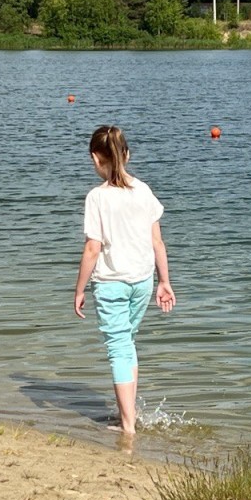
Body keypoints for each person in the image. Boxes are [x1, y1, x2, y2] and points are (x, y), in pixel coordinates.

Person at [74, 125, 176, 435]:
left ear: (95, 159)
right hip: (143, 281)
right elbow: (157, 242)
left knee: (119, 349)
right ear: (128, 155)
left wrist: (78, 289)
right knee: (127, 344)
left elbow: (93, 248)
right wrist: (164, 282)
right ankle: (126, 416)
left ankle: (129, 427)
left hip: (111, 284)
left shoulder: (97, 198)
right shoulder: (143, 190)